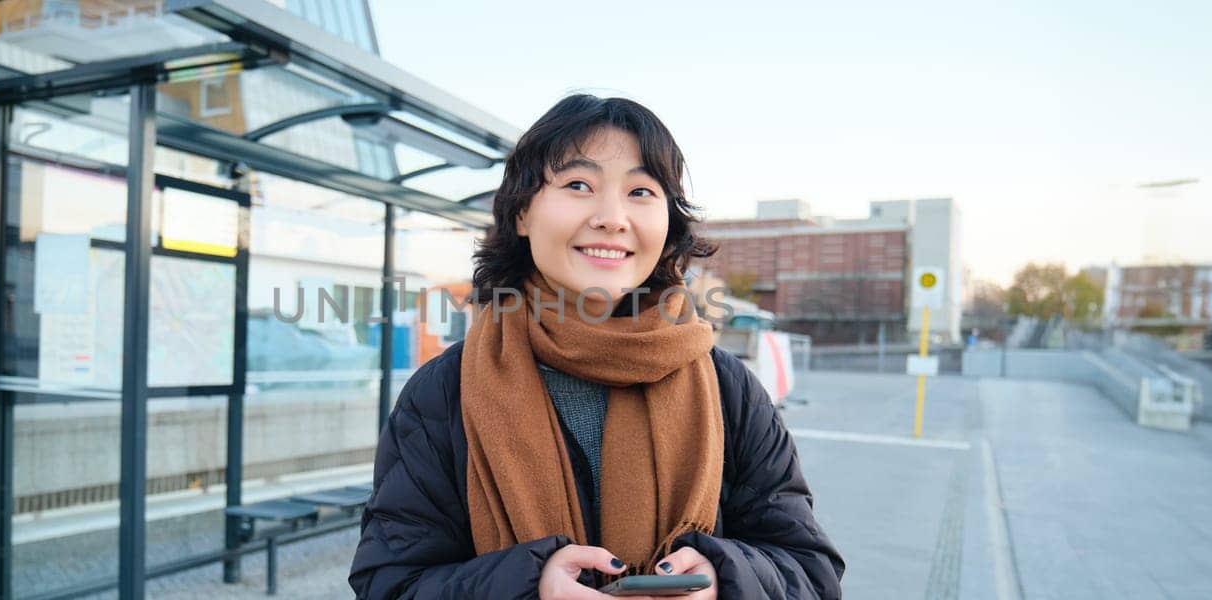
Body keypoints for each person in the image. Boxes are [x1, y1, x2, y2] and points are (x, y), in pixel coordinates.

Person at [349, 94, 844, 599]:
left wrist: (723, 579)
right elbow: (390, 582)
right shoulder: (443, 391)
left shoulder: (727, 385)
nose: (612, 217)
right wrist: (529, 587)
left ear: (668, 221)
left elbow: (809, 571)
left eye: (642, 192)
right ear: (522, 213)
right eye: (578, 185)